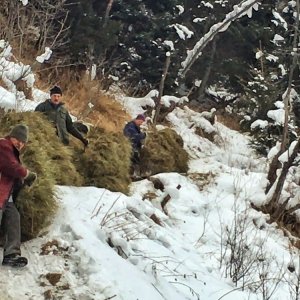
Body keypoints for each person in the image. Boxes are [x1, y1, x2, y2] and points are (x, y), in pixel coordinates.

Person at [0, 124, 37, 268]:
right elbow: (11, 166)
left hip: (5, 195)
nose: (20, 143)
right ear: (11, 136)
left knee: (14, 217)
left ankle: (11, 254)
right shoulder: (3, 145)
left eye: (23, 142)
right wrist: (27, 175)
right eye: (18, 139)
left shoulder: (12, 151)